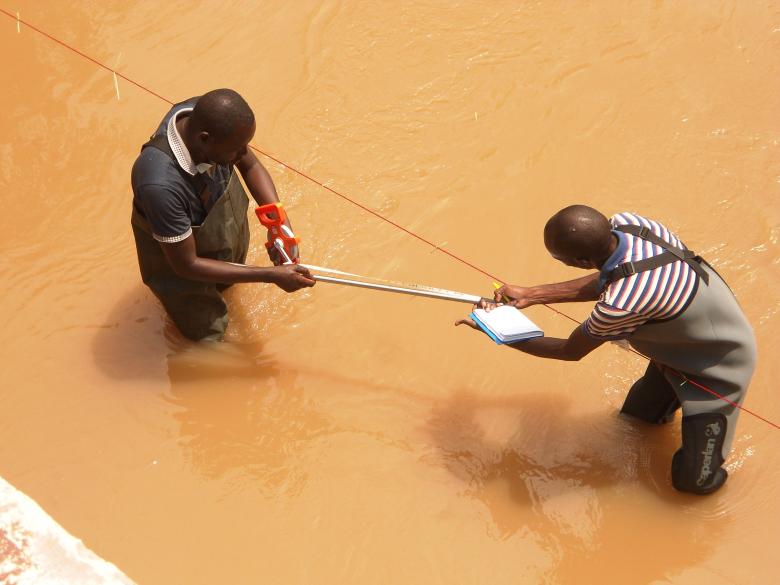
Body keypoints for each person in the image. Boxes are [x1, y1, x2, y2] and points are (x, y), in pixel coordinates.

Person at [456, 205, 757, 495]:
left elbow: (568, 351)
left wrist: (496, 329)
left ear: (580, 262)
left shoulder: (620, 305)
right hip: (681, 350)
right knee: (637, 421)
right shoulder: (633, 225)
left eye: (561, 259)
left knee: (694, 485)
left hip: (719, 367)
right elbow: (614, 273)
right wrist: (533, 294)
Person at [131, 89, 315, 341]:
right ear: (205, 139)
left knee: (229, 282)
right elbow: (187, 265)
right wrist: (268, 275)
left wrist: (279, 225)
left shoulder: (208, 119)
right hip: (182, 264)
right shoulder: (159, 185)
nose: (242, 154)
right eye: (236, 150)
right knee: (207, 337)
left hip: (216, 227)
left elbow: (251, 165)